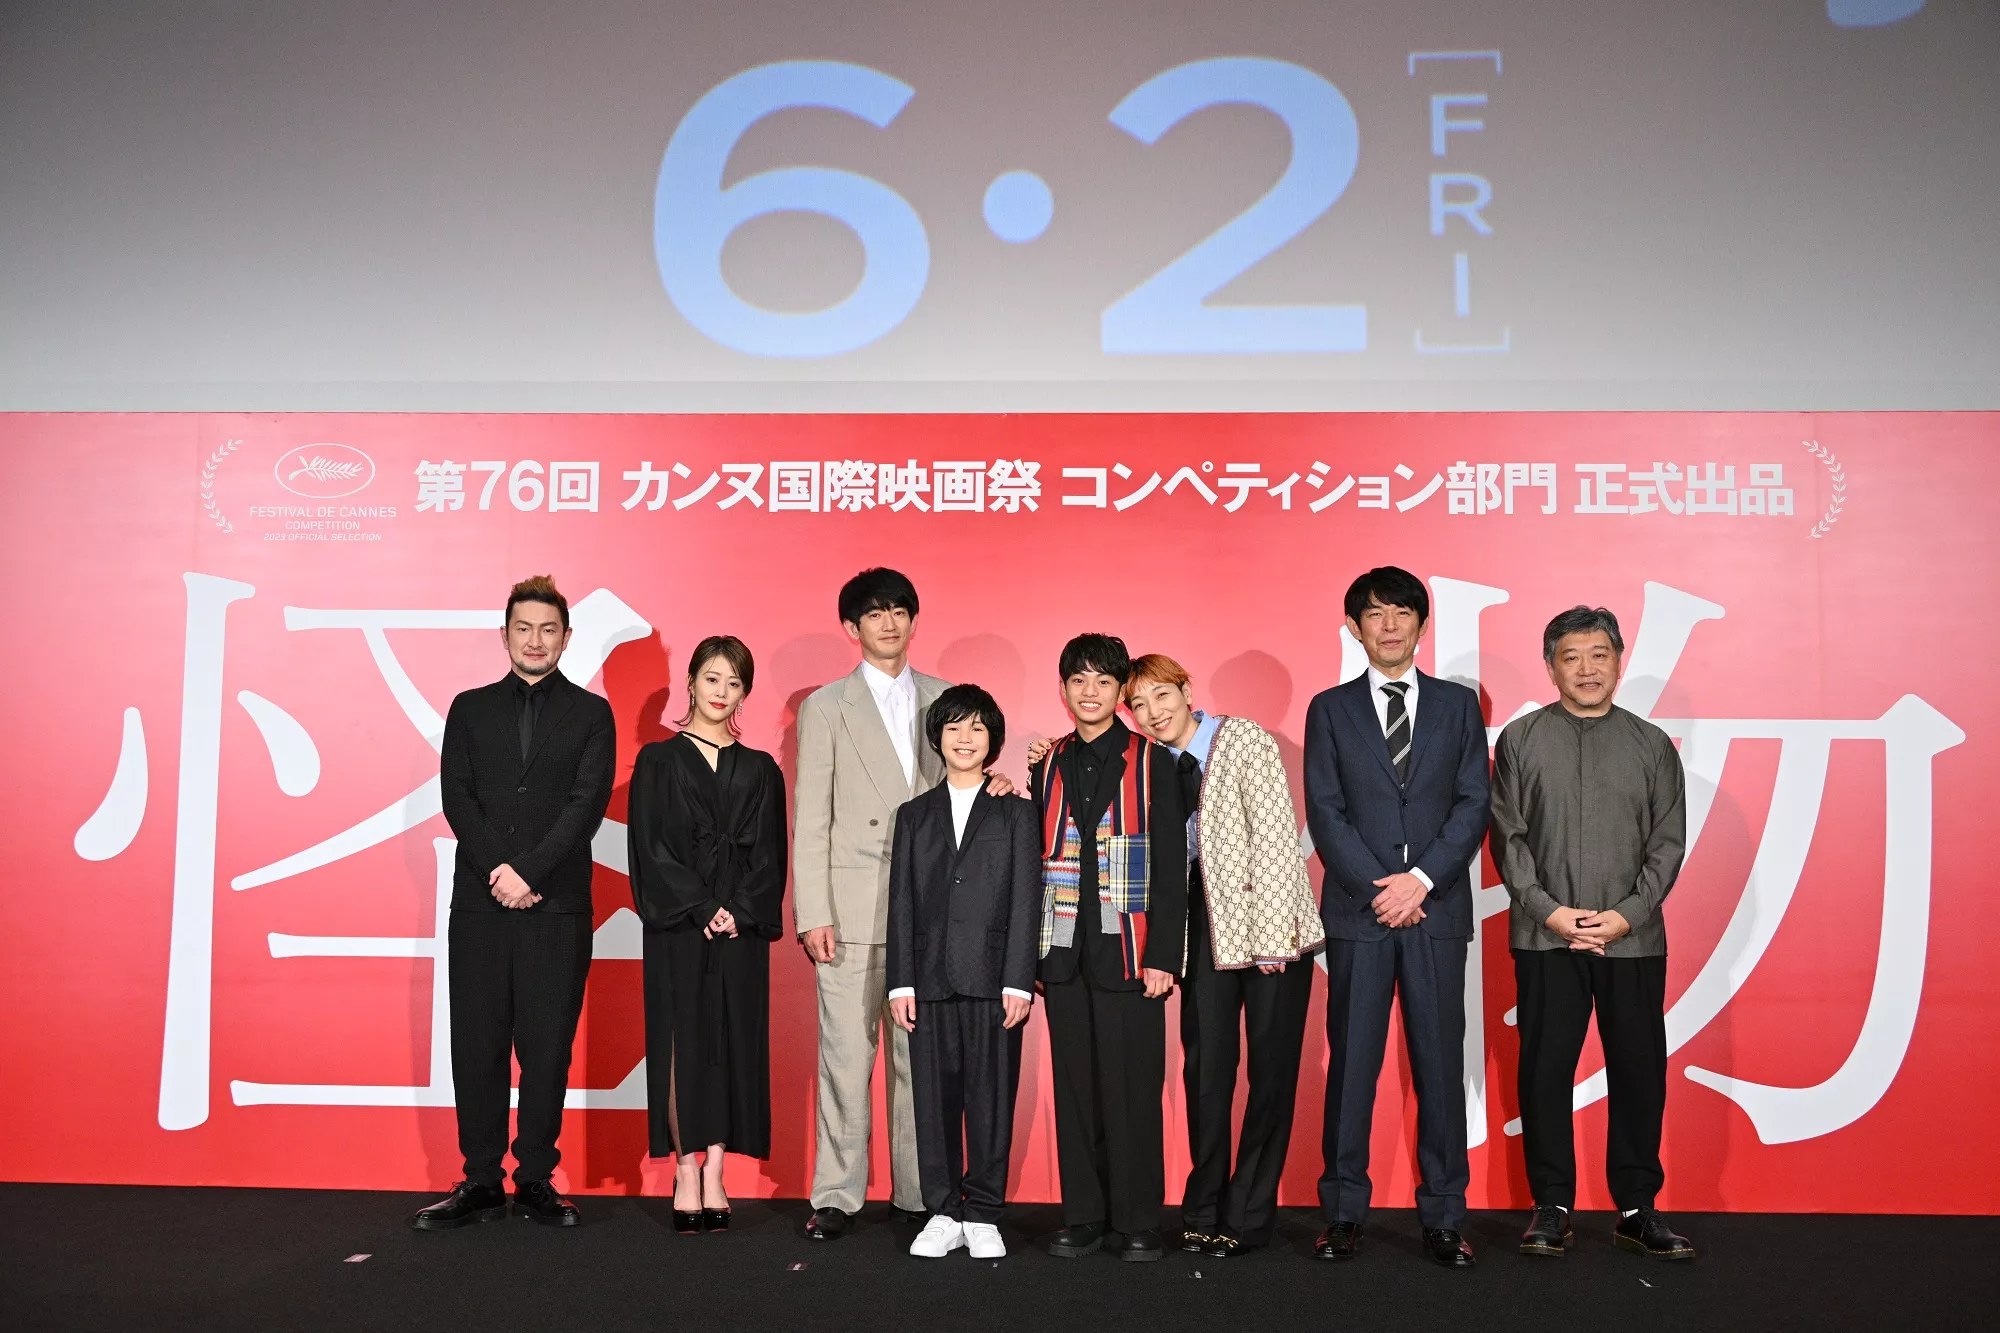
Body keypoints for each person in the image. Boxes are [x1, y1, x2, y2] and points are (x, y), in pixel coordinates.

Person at [792, 569, 1010, 1240]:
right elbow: (812, 815)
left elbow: (966, 782)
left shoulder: (947, 698)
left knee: (923, 1062)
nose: (888, 623)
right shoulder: (826, 706)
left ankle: (921, 1192)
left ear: (914, 620)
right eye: (874, 613)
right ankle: (836, 1193)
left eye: (899, 611)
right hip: (853, 906)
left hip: (936, 911)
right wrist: (813, 910)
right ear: (852, 627)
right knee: (845, 1056)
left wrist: (999, 783)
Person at [1491, 606, 1694, 1261]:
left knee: (1639, 1070)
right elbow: (1508, 838)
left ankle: (1637, 1207)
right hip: (1546, 937)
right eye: (1571, 657)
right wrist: (1549, 912)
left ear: (1619, 661)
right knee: (1545, 1070)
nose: (1586, 669)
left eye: (1598, 655)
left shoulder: (1652, 745)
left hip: (1632, 940)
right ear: (1550, 666)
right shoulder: (1520, 740)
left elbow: (1667, 843)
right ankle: (1551, 1205)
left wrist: (1626, 914)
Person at [413, 575, 615, 1230]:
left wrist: (528, 872)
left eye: (548, 629)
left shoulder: (591, 714)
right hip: (481, 903)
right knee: (477, 1044)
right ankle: (479, 1179)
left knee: (547, 1047)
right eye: (523, 628)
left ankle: (534, 1177)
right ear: (504, 635)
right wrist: (500, 871)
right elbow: (458, 797)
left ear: (566, 637)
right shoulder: (469, 709)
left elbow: (586, 805)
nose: (535, 640)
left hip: (557, 907)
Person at [1303, 566, 1491, 1268]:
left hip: (1435, 911)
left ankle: (1443, 1215)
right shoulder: (1330, 708)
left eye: (1402, 612)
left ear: (1421, 624)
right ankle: (1343, 1212)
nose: (1389, 625)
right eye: (1375, 614)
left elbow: (1473, 802)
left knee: (1439, 1066)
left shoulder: (1457, 705)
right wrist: (1380, 887)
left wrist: (1420, 880)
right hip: (1361, 914)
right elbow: (1326, 810)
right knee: (1353, 1065)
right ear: (1354, 627)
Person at [1126, 655, 1324, 1258]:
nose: (1153, 713)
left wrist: (1272, 940)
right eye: (1138, 705)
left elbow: (1275, 838)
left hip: (1271, 932)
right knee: (1206, 1072)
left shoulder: (1242, 738)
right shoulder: (1151, 764)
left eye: (1161, 696)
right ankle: (1203, 1207)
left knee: (1271, 1075)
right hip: (1204, 930)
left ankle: (1248, 1212)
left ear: (1187, 690)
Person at [1030, 633, 1188, 1263]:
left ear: (1121, 690)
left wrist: (1164, 956)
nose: (1089, 692)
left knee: (1133, 1089)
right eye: (1078, 680)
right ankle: (1085, 1216)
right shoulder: (1046, 764)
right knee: (1075, 1090)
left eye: (1102, 681)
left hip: (1132, 950)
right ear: (1063, 689)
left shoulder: (1155, 762)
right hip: (1063, 952)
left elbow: (1173, 867)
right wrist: (1034, 956)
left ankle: (1139, 1221)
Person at [627, 637, 788, 1235]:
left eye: (734, 683)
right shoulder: (657, 762)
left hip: (740, 931)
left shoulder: (762, 769)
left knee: (733, 1040)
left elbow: (771, 854)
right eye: (713, 679)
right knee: (681, 1040)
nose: (722, 692)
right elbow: (650, 848)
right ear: (691, 682)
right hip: (680, 927)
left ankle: (717, 1167)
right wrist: (701, 907)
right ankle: (685, 1168)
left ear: (745, 693)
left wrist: (738, 911)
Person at [885, 685, 1041, 1260]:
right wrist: (900, 981)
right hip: (928, 980)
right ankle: (943, 1211)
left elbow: (1026, 899)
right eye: (953, 727)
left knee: (991, 1100)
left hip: (994, 979)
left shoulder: (1016, 811)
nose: (965, 738)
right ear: (938, 738)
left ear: (993, 738)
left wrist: (1019, 979)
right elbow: (901, 901)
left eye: (977, 727)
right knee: (933, 1102)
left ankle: (983, 1212)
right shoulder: (913, 816)